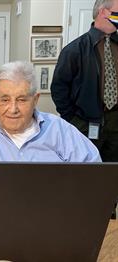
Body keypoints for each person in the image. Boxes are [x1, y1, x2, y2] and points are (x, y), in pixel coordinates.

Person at [0, 61, 101, 162]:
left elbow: (93, 168)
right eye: (5, 100)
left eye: (21, 100)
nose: (13, 109)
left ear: (35, 100)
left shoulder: (58, 128)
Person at [51, 0, 118, 162]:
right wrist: (73, 121)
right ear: (103, 12)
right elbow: (59, 88)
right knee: (85, 175)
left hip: (116, 124)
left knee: (113, 175)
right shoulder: (74, 50)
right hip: (85, 125)